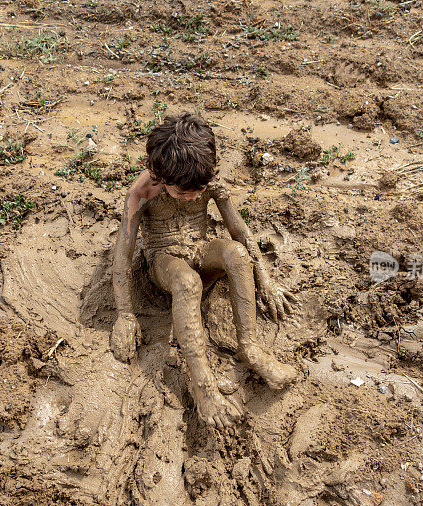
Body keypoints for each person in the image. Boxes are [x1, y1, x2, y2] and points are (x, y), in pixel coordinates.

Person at [110, 112, 297, 428]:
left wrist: (264, 279)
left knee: (236, 255)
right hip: (164, 263)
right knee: (187, 282)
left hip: (200, 249)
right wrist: (125, 315)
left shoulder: (204, 180)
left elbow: (240, 232)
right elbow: (123, 255)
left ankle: (250, 348)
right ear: (160, 176)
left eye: (198, 190)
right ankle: (201, 383)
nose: (194, 197)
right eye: (183, 193)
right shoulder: (141, 193)